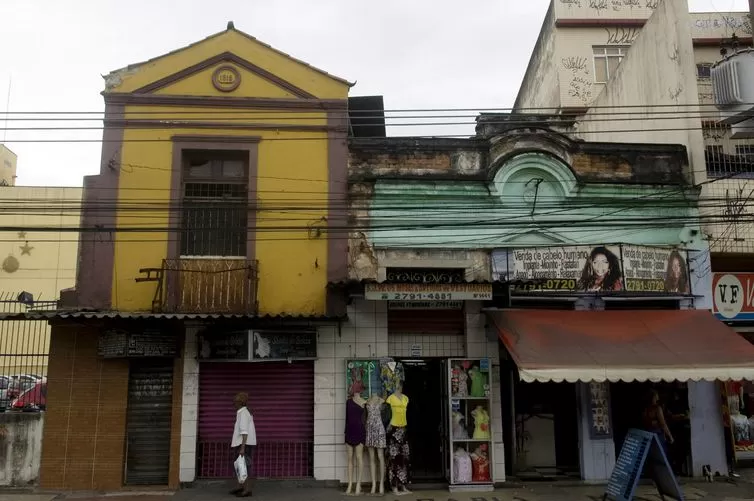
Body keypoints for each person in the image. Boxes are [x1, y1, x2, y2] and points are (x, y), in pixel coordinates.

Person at [230, 392, 256, 497]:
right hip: (242, 443)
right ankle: (240, 487)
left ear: (240, 402)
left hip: (244, 444)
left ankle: (247, 490)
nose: (233, 403)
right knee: (239, 467)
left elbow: (244, 432)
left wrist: (242, 448)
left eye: (235, 401)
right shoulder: (242, 412)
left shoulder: (243, 413)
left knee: (244, 467)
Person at [643, 389, 673, 455]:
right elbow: (663, 424)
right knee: (661, 454)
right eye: (657, 394)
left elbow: (646, 421)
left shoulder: (646, 408)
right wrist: (670, 436)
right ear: (654, 396)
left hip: (648, 434)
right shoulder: (657, 408)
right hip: (657, 435)